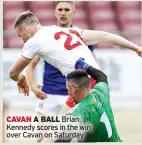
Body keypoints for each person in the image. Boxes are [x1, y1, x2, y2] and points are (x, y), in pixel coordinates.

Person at [9, 10, 142, 101]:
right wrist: (136, 48)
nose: (23, 40)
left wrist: (21, 78)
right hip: (99, 82)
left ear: (26, 30)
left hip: (82, 86)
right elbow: (106, 36)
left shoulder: (33, 41)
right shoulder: (69, 30)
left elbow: (12, 73)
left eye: (21, 36)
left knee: (61, 134)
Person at [26, 1, 98, 116]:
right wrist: (33, 86)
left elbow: (95, 68)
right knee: (42, 134)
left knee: (73, 133)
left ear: (73, 12)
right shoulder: (46, 36)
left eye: (66, 10)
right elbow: (31, 64)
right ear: (55, 12)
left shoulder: (82, 35)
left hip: (74, 95)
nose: (63, 13)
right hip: (49, 94)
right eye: (60, 10)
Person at [51, 57, 123, 142]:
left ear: (73, 90)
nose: (68, 92)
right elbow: (102, 76)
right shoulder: (101, 92)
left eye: (68, 89)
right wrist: (85, 66)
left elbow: (62, 141)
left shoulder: (77, 113)